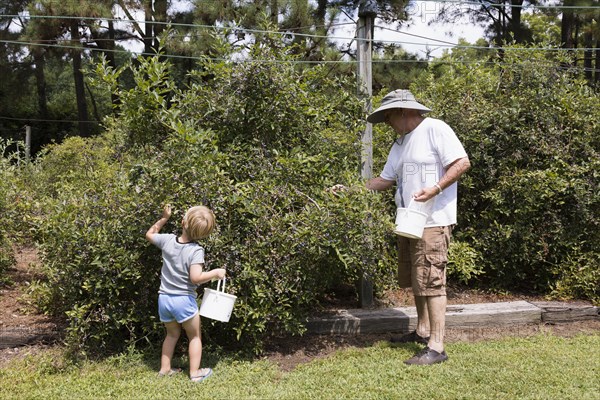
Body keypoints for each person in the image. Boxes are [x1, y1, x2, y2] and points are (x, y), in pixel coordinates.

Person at [366, 89, 471, 365]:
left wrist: (435, 188)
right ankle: (423, 332)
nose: (387, 122)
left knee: (432, 280)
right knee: (417, 278)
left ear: (402, 112)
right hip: (409, 221)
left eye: (388, 116)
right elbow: (385, 179)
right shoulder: (400, 143)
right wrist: (353, 190)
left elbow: (462, 162)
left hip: (433, 220)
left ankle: (437, 346)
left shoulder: (435, 128)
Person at [145, 204, 226, 382]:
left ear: (182, 222)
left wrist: (164, 218)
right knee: (195, 336)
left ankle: (165, 369)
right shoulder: (196, 251)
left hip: (164, 299)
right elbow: (196, 278)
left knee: (172, 334)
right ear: (205, 234)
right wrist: (216, 273)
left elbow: (150, 234)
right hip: (183, 301)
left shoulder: (167, 240)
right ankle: (195, 373)